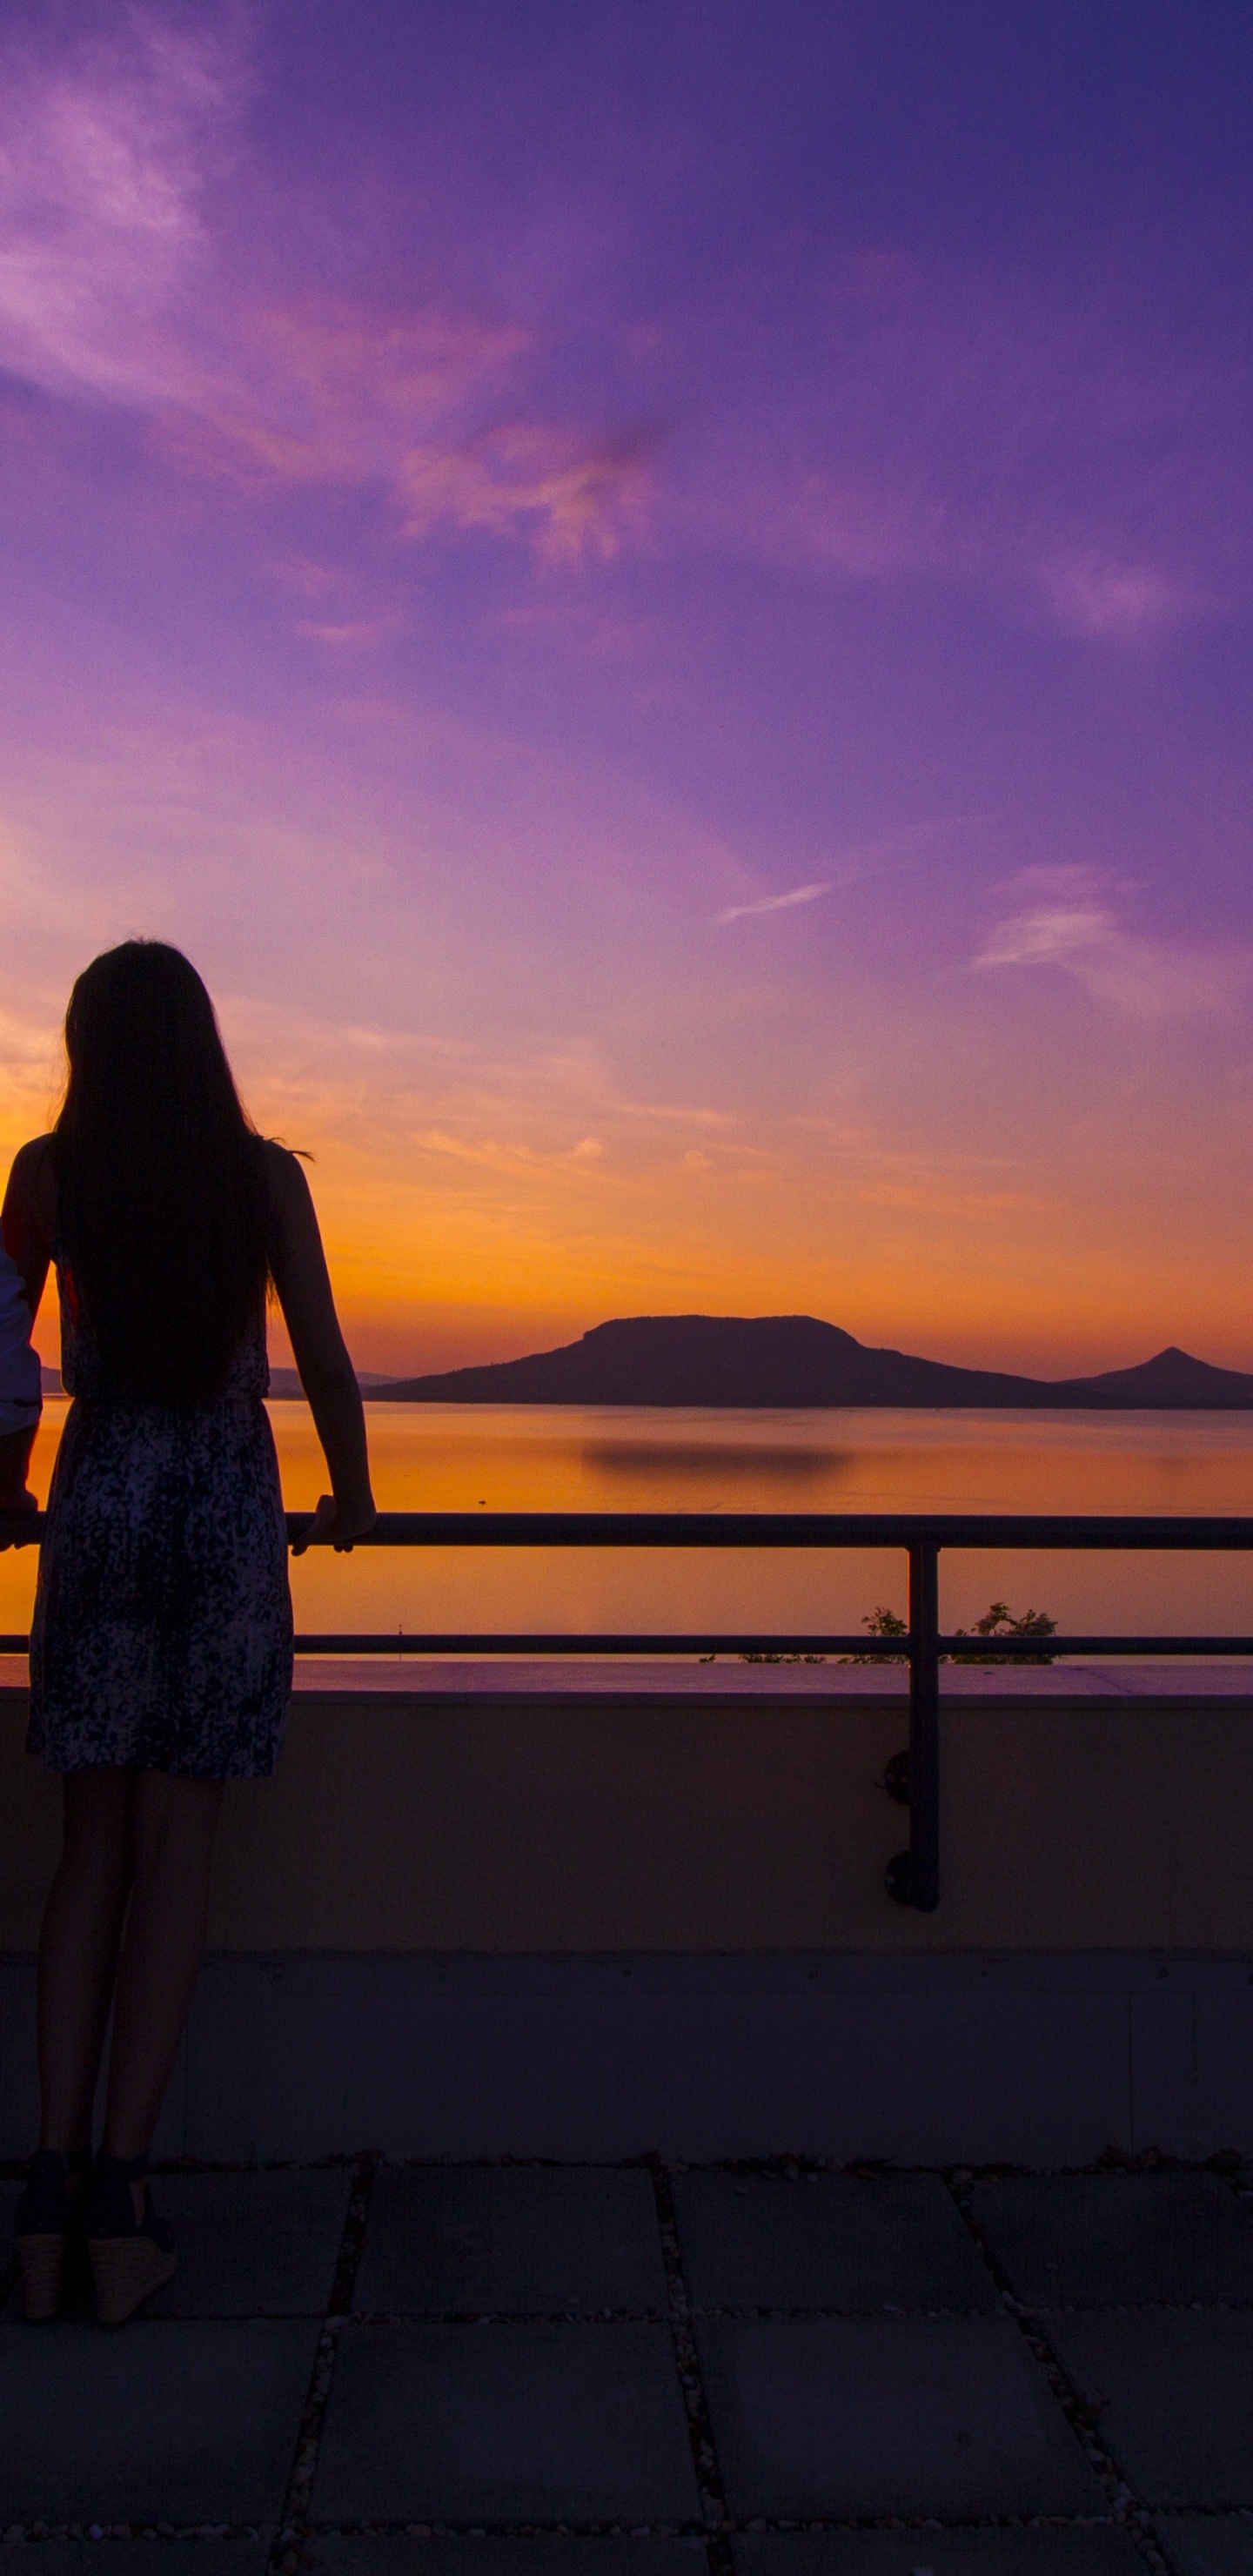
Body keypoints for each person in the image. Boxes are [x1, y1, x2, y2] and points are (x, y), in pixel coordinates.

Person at [3, 941, 376, 2324]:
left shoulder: (47, 1173)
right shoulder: (262, 1176)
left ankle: (46, 2193)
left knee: (89, 1847)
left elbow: (3, 1351)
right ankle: (122, 2199)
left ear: (86, 1042)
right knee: (178, 1852)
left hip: (102, 1499)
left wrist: (0, 1490)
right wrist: (356, 1496)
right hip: (223, 1503)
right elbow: (327, 1357)